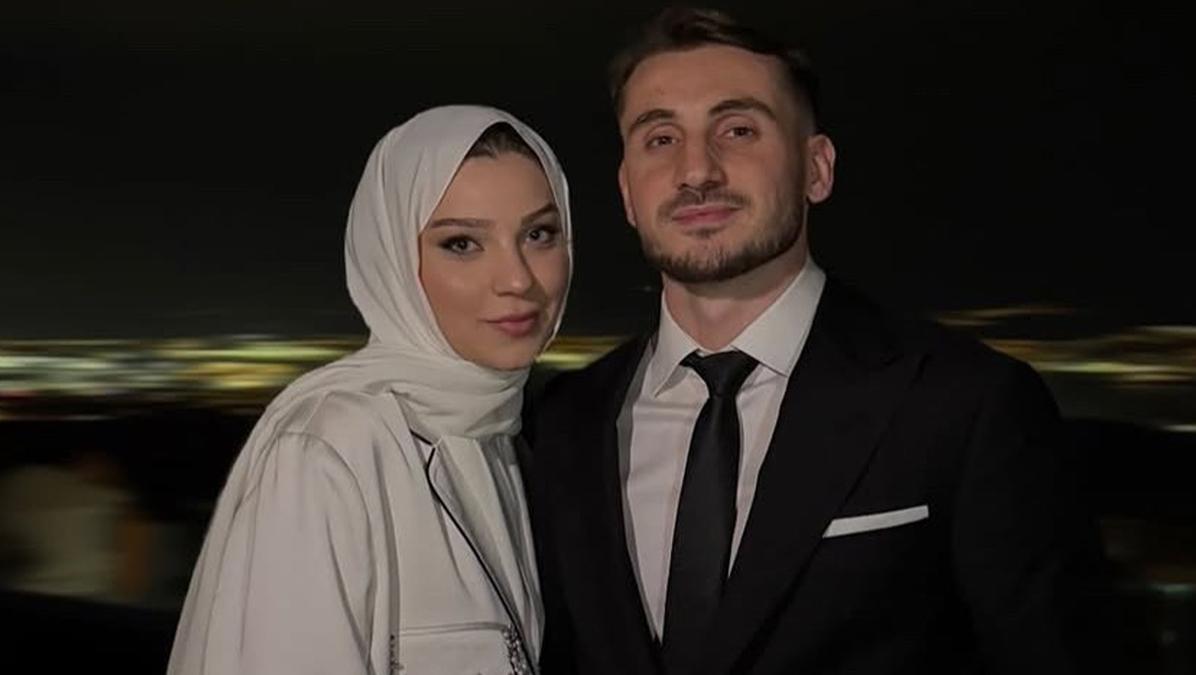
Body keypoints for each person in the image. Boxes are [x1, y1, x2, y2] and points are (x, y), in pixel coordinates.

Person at [523, 8, 1107, 674]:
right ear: (628, 191)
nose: (696, 170)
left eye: (737, 130)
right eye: (660, 138)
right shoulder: (563, 424)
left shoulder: (965, 405)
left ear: (816, 168)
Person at [168, 105, 571, 674]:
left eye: (538, 234)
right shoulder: (329, 450)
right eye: (462, 243)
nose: (517, 279)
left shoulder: (499, 436)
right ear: (393, 261)